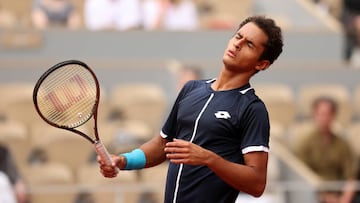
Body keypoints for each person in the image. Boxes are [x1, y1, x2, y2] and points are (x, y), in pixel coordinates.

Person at [98, 15, 283, 202]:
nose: (237, 44)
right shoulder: (191, 89)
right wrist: (125, 161)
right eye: (238, 36)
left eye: (249, 44)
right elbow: (163, 145)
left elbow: (257, 184)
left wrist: (208, 158)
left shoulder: (252, 109)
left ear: (261, 64)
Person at [295, 96, 358, 203]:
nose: (324, 118)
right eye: (320, 114)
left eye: (328, 114)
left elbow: (351, 176)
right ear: (314, 115)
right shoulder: (305, 144)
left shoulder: (343, 144)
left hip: (339, 193)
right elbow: (301, 176)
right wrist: (325, 197)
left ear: (334, 116)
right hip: (313, 195)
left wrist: (344, 199)